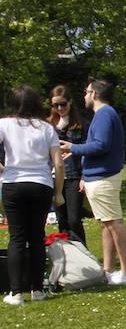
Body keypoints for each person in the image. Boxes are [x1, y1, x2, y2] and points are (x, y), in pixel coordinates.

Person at [60, 79, 126, 285]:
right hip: (98, 176)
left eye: (86, 92)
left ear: (94, 94)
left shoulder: (104, 115)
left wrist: (72, 148)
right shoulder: (103, 115)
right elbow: (97, 145)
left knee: (114, 223)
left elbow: (100, 145)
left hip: (103, 177)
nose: (84, 96)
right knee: (106, 225)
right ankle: (109, 270)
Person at [0, 85, 66, 305]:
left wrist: (4, 169)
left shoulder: (4, 124)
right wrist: (58, 193)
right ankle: (37, 290)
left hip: (14, 183)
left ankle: (16, 292)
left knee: (17, 238)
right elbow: (58, 162)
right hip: (41, 185)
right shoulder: (47, 128)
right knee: (37, 237)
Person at [49, 85, 88, 245]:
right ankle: (68, 256)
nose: (59, 108)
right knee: (61, 219)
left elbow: (88, 150)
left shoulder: (81, 124)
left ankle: (81, 252)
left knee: (74, 219)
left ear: (70, 102)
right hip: (53, 176)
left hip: (74, 176)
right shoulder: (49, 125)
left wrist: (85, 176)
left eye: (63, 104)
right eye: (55, 105)